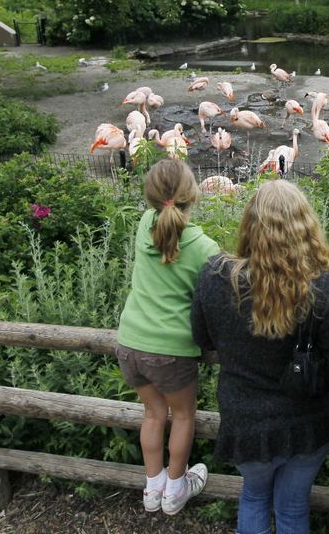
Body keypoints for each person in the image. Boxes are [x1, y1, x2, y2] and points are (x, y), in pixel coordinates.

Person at [191, 180, 329, 534]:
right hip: (307, 423)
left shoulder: (215, 277)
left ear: (248, 223)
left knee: (254, 497)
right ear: (305, 226)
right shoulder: (319, 287)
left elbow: (201, 338)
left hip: (245, 422)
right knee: (292, 509)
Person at [115, 159, 219, 515]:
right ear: (193, 196)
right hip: (171, 352)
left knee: (153, 414)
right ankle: (176, 489)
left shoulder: (145, 224)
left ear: (152, 199)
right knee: (184, 416)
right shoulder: (206, 248)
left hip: (129, 344)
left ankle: (152, 487)